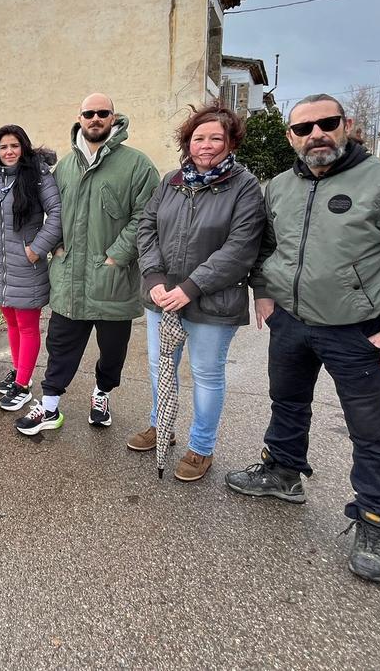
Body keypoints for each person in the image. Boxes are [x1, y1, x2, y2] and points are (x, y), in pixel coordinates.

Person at [225, 93, 380, 584]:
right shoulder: (279, 187)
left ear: (347, 125)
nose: (315, 134)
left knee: (371, 426)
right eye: (302, 128)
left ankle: (376, 518)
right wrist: (265, 291)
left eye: (326, 123)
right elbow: (267, 246)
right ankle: (283, 472)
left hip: (357, 329)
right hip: (291, 322)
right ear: (291, 137)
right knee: (287, 402)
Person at [129, 102, 265, 481]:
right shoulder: (171, 181)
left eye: (215, 138)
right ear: (187, 142)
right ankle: (162, 426)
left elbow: (241, 247)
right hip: (163, 298)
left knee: (206, 374)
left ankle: (201, 448)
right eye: (198, 138)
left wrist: (191, 288)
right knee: (161, 368)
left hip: (213, 301)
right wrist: (154, 278)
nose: (206, 145)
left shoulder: (244, 186)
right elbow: (147, 227)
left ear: (231, 142)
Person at [14, 93, 159, 436]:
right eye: (88, 113)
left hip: (113, 278)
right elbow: (50, 211)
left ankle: (102, 393)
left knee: (112, 352)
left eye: (102, 113)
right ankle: (49, 407)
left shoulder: (137, 165)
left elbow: (147, 216)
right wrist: (57, 244)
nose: (95, 118)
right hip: (69, 277)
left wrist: (118, 255)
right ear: (79, 118)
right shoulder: (64, 166)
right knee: (61, 345)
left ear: (114, 118)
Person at [0, 125, 61, 412]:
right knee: (10, 322)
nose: (9, 152)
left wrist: (37, 249)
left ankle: (23, 386)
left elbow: (57, 213)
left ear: (24, 147)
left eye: (14, 146)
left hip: (26, 264)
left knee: (27, 325)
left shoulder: (37, 175)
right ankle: (19, 372)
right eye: (3, 147)